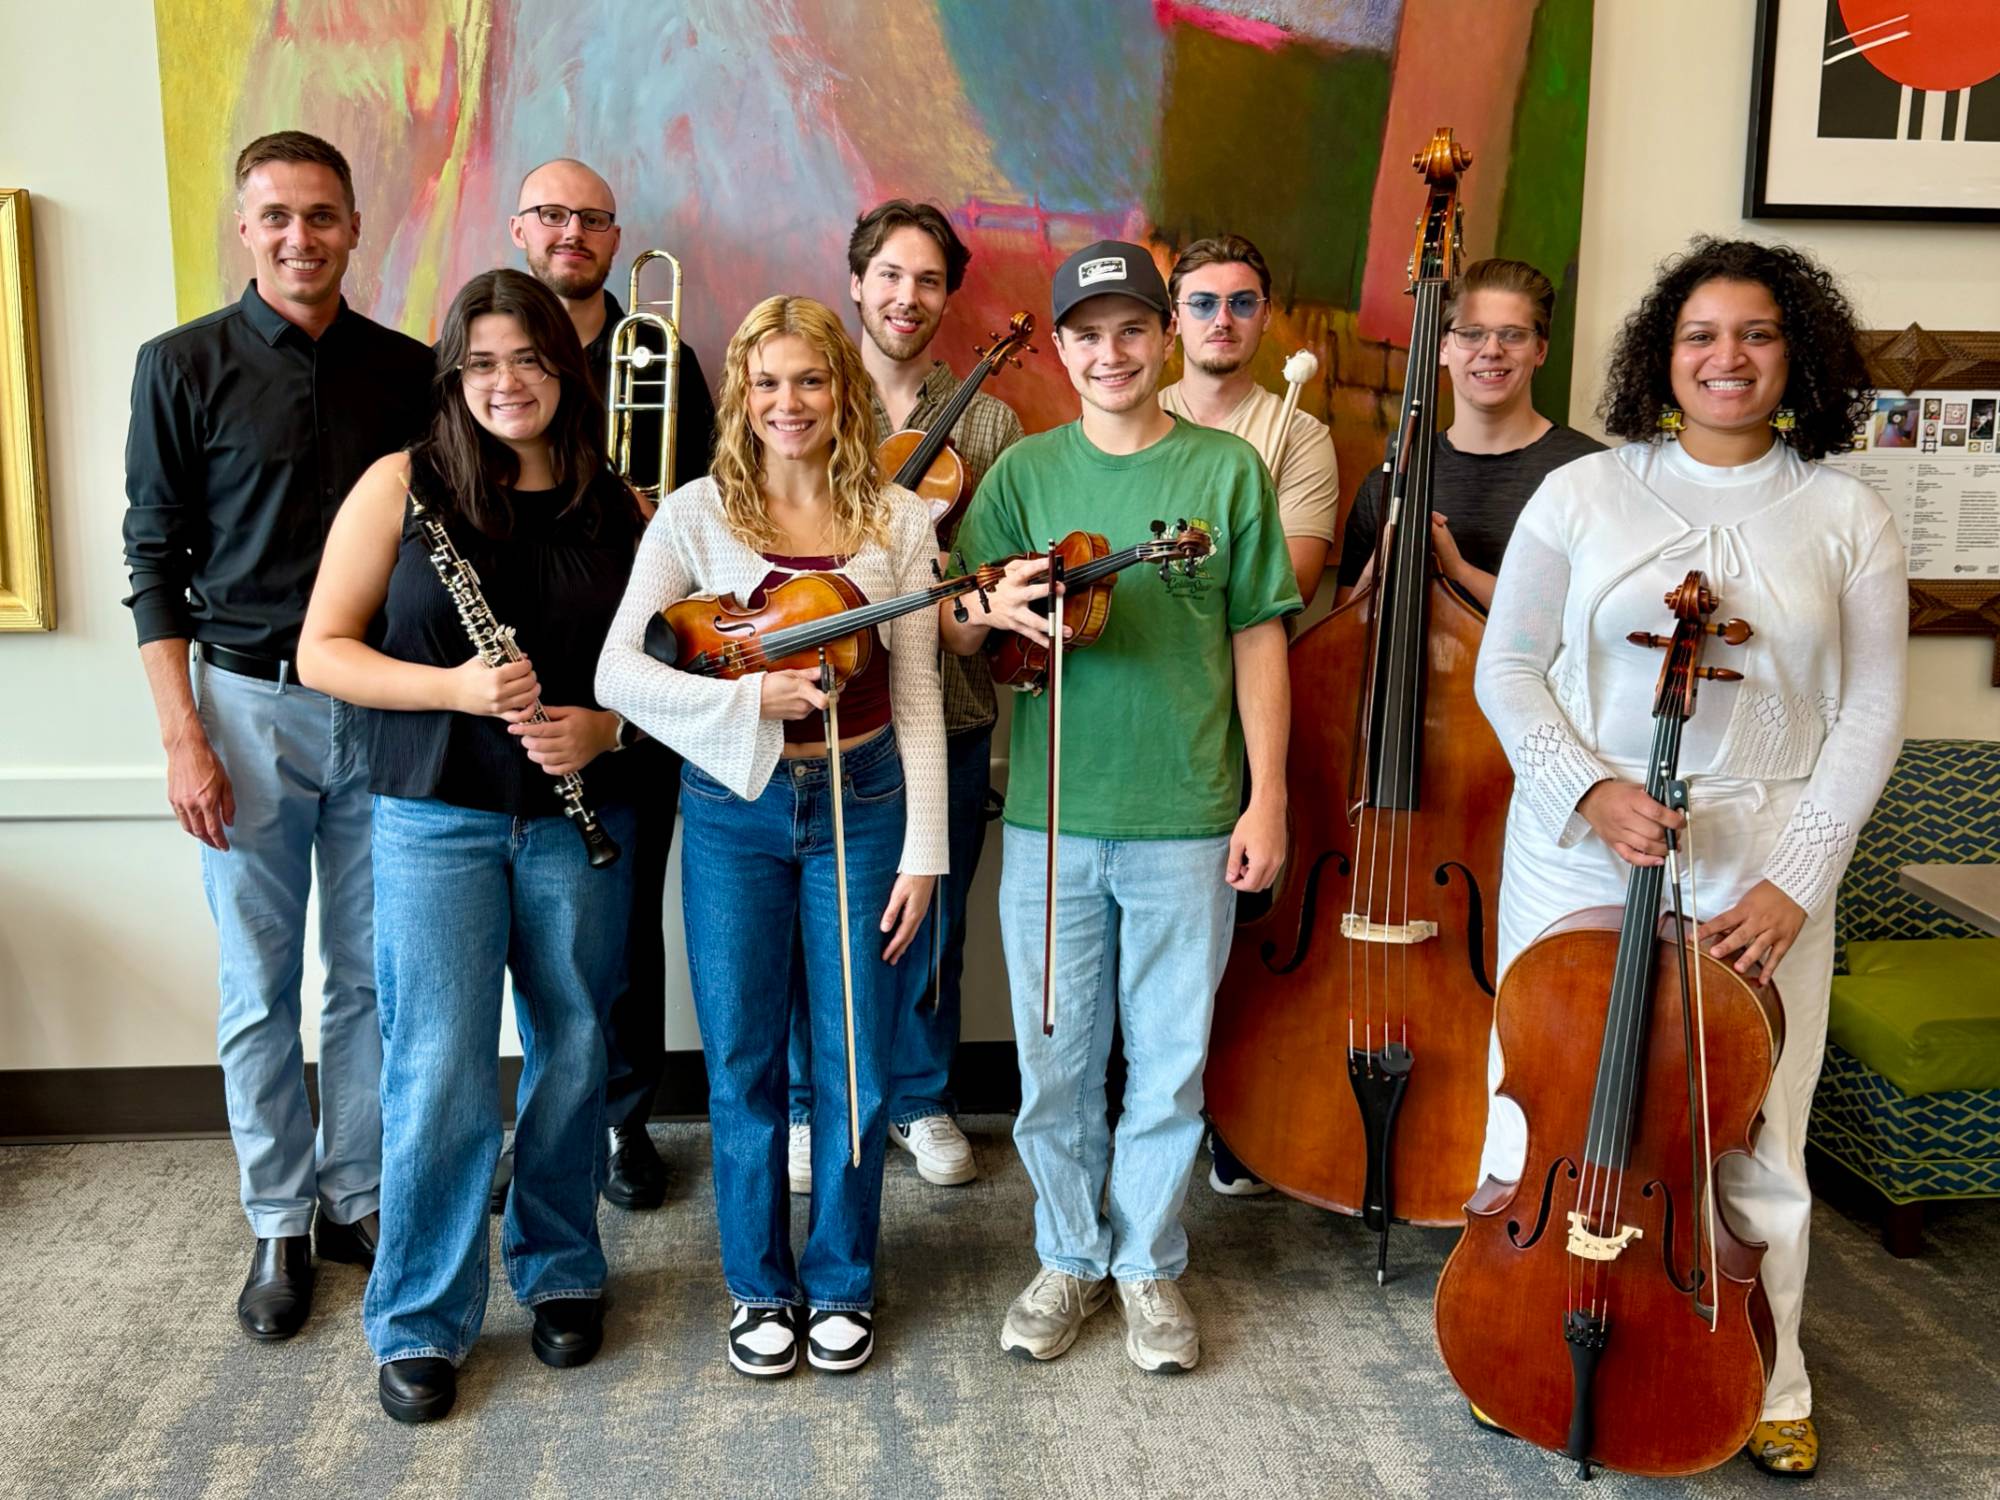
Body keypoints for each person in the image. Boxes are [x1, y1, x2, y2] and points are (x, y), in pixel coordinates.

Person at [1472, 238, 1905, 1478]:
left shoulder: (1846, 515)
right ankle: (1521, 1338)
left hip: (1760, 859)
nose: (1727, 358)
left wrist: (1797, 878)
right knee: (1537, 1113)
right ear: (1661, 356)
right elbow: (1508, 665)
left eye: (1756, 334)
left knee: (1753, 1130)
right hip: (1579, 851)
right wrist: (1591, 787)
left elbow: (1870, 713)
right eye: (1700, 335)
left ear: (1794, 355)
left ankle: (1770, 1376)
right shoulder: (1584, 493)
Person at [944, 241, 1300, 1373]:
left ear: (1165, 338)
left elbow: (1256, 638)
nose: (1111, 352)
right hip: (1055, 816)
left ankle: (1146, 1263)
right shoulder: (1026, 475)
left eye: (1131, 330)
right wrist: (994, 609)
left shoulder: (1225, 474)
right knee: (1052, 1060)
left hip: (1188, 813)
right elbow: (955, 621)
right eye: (1087, 335)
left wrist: (1268, 798)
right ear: (1059, 351)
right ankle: (1065, 1255)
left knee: (1169, 1060)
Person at [298, 269, 643, 1422]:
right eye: (484, 362)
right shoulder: (403, 485)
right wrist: (453, 686)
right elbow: (324, 653)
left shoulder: (619, 503)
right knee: (438, 1063)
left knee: (576, 1047)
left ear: (565, 370)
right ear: (455, 373)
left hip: (574, 817)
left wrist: (604, 726)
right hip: (435, 815)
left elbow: (660, 670)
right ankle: (420, 1318)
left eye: (532, 359)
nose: (509, 383)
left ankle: (557, 1267)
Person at [596, 295, 947, 1377]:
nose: (786, 403)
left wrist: (926, 851)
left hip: (865, 803)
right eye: (765, 384)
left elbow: (922, 690)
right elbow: (617, 673)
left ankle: (841, 1278)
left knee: (853, 1057)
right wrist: (748, 705)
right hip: (733, 814)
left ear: (840, 389)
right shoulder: (694, 515)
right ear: (740, 397)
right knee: (743, 1061)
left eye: (807, 381)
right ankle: (757, 1285)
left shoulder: (898, 521)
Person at [121, 130, 431, 1342]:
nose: (300, 237)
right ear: (243, 228)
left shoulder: (411, 372)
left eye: (322, 216)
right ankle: (277, 1220)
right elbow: (153, 560)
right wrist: (179, 736)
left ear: (357, 228)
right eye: (276, 217)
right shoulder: (178, 365)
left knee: (369, 979)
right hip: (244, 708)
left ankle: (357, 1194)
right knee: (260, 983)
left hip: (384, 704)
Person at [787, 200, 1024, 1197]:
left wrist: (963, 591)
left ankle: (921, 1098)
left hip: (949, 697)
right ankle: (807, 1105)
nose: (907, 296)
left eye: (928, 280)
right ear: (854, 282)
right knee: (810, 915)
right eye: (890, 274)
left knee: (926, 916)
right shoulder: (801, 398)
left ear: (946, 299)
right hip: (820, 707)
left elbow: (994, 562)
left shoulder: (990, 420)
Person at [502, 156, 720, 1212]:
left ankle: (625, 1120)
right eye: (551, 215)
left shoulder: (660, 356)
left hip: (640, 678)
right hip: (513, 670)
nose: (570, 235)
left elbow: (715, 514)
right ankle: (547, 1117)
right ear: (518, 227)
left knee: (625, 917)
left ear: (612, 234)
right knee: (523, 917)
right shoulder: (486, 353)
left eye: (591, 220)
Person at [1337, 257, 1604, 611]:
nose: (1491, 350)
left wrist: (1460, 571)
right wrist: (1381, 564)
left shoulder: (1592, 472)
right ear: (1443, 347)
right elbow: (1343, 634)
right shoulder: (1390, 480)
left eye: (1512, 334)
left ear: (1540, 350)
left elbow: (1590, 625)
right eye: (1471, 334)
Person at [1158, 233, 1339, 606]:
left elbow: (1291, 589)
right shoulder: (1138, 421)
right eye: (1202, 304)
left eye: (1241, 303)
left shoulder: (1300, 437)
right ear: (1175, 319)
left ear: (1266, 315)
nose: (1222, 320)